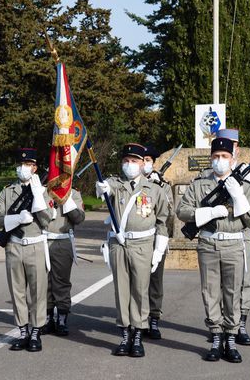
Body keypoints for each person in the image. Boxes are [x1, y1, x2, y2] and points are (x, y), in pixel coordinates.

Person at [176, 137, 250, 363]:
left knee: (233, 293)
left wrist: (238, 197)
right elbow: (182, 211)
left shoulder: (246, 187)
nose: (220, 161)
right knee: (210, 291)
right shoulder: (198, 184)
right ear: (211, 159)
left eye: (225, 157)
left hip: (234, 244)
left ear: (233, 160)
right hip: (208, 243)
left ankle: (231, 338)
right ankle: (215, 336)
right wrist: (207, 213)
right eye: (216, 157)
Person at [95, 143, 170, 358]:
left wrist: (158, 251)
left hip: (143, 246)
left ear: (142, 163)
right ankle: (125, 333)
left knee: (140, 289)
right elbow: (103, 188)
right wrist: (101, 189)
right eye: (126, 161)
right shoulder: (115, 184)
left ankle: (138, 333)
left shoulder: (154, 189)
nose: (129, 165)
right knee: (122, 290)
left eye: (134, 161)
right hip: (119, 244)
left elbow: (163, 222)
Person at [0, 148, 52, 352]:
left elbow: (47, 221)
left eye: (26, 165)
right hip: (14, 245)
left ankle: (36, 332)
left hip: (35, 245)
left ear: (35, 168)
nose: (22, 168)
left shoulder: (43, 191)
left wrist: (38, 198)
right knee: (17, 291)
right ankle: (23, 331)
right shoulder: (8, 191)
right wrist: (16, 219)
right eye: (19, 165)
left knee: (37, 293)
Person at [215, 128, 250, 346]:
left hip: (242, 234)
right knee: (219, 283)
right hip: (218, 232)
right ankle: (219, 326)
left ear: (237, 148)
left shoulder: (249, 172)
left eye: (232, 144)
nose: (227, 148)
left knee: (243, 282)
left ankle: (240, 325)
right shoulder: (212, 171)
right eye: (222, 143)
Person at [41, 188, 86, 336]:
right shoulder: (42, 191)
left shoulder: (74, 193)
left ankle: (61, 318)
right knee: (44, 282)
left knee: (61, 282)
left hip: (62, 240)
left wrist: (66, 199)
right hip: (42, 241)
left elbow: (78, 218)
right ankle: (47, 318)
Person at [142, 145, 174, 339]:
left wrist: (159, 188)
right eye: (142, 160)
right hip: (137, 239)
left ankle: (153, 318)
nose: (145, 164)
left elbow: (169, 215)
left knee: (155, 281)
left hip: (156, 238)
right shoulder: (132, 183)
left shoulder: (163, 185)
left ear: (153, 164)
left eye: (148, 161)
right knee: (136, 281)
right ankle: (138, 319)